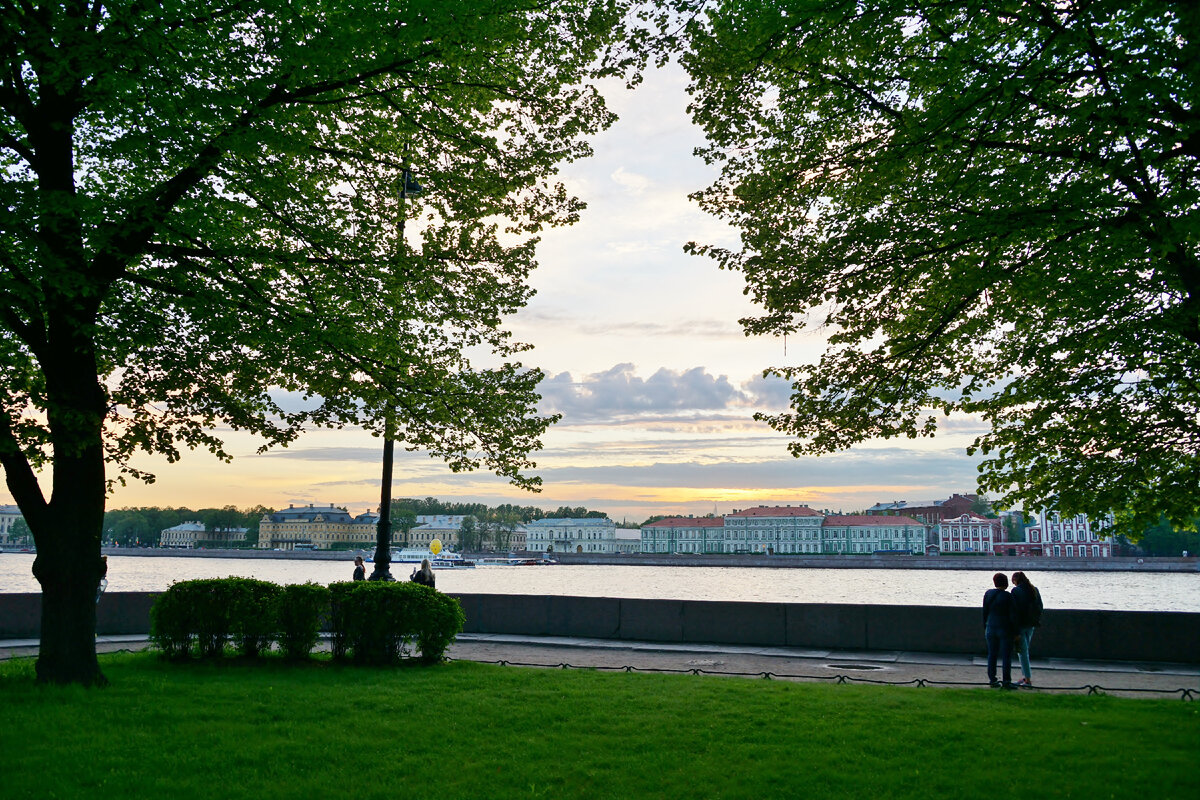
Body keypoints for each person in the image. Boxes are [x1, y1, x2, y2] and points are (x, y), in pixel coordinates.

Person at [982, 572, 1016, 689]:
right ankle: (1006, 681)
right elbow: (1012, 615)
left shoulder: (988, 594)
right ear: (1006, 583)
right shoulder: (1008, 596)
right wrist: (1015, 631)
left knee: (992, 655)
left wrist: (985, 626)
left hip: (990, 627)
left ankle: (992, 680)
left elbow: (985, 612)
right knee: (1006, 656)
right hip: (1005, 628)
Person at [1010, 571, 1043, 688]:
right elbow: (1040, 606)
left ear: (1015, 580)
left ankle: (1027, 680)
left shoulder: (1016, 591)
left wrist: (1014, 628)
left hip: (1020, 626)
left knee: (1022, 652)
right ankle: (1025, 677)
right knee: (1024, 651)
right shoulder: (1034, 589)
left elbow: (1014, 611)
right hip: (1031, 624)